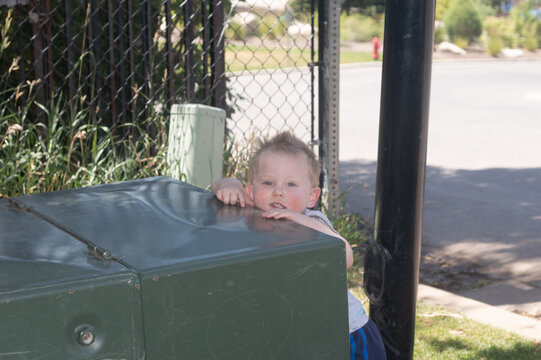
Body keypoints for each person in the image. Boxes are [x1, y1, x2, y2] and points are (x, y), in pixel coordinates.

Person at [212, 131, 387, 360]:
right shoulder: (254, 212)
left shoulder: (312, 221)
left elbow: (345, 257)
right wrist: (228, 184)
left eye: (291, 184)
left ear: (311, 197)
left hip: (347, 333)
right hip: (301, 331)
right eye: (268, 182)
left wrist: (300, 221)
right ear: (250, 192)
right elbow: (219, 185)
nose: (278, 191)